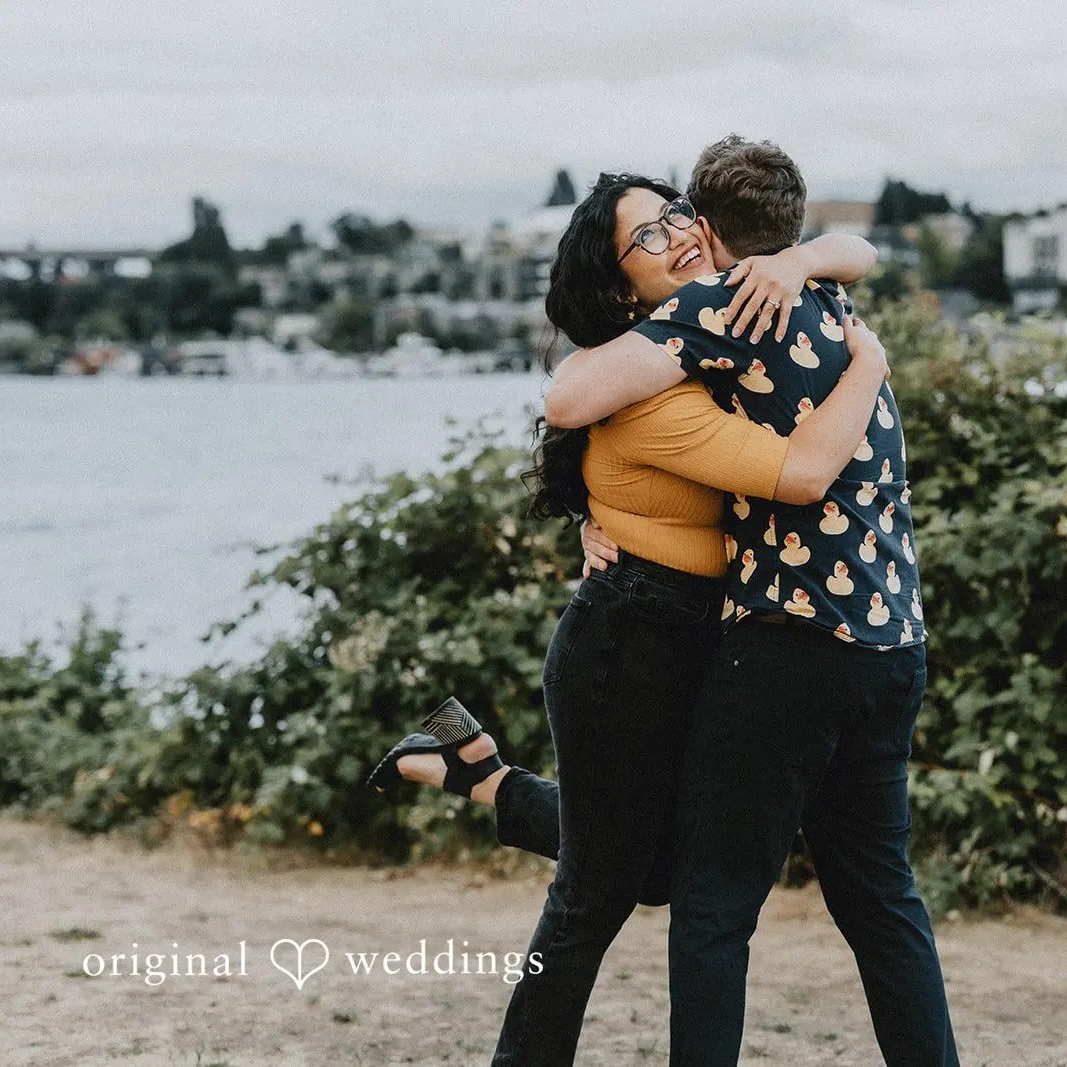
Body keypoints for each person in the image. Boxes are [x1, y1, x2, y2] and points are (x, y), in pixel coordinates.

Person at [367, 170, 891, 1066]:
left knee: (653, 869)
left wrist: (801, 258)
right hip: (630, 643)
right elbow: (802, 473)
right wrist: (872, 364)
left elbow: (860, 251)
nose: (682, 236)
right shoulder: (653, 389)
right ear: (620, 288)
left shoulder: (714, 330)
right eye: (650, 237)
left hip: (701, 637)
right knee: (593, 894)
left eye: (678, 216)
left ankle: (476, 770)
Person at [545, 135, 960, 1066]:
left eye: (677, 220)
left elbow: (568, 395)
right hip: (892, 642)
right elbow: (866, 250)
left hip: (790, 645)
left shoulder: (721, 306)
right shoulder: (829, 298)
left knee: (711, 907)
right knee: (881, 901)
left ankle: (488, 785)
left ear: (703, 223)